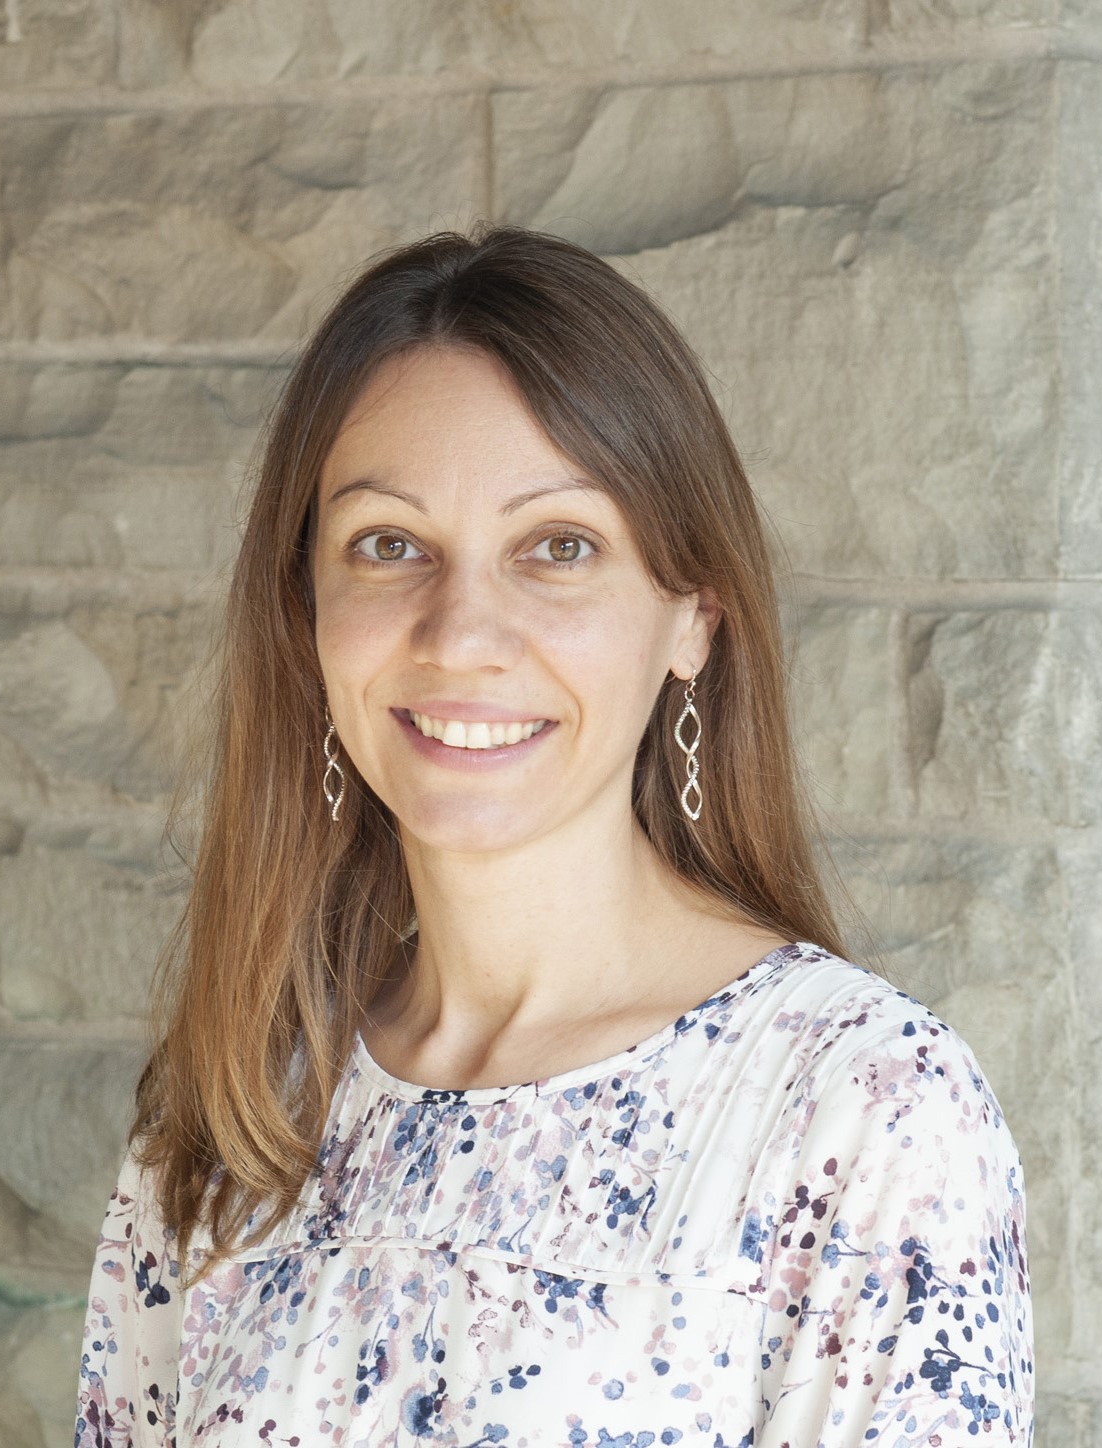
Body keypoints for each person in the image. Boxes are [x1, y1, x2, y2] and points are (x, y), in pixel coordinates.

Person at [73, 224, 1033, 1447]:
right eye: (387, 544)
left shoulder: (862, 1107)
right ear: (306, 614)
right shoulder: (235, 1110)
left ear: (690, 617)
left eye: (558, 547)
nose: (459, 630)